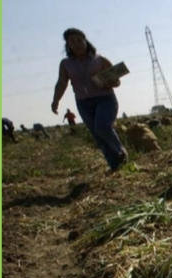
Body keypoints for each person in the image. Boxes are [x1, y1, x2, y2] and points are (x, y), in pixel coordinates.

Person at [52, 28, 128, 171]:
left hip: (105, 99)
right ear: (68, 45)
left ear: (85, 41)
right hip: (83, 103)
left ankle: (121, 152)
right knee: (97, 135)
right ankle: (116, 166)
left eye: (79, 40)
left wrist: (110, 83)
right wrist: (56, 100)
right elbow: (62, 83)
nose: (77, 44)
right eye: (72, 42)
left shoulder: (100, 60)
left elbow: (117, 81)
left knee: (102, 127)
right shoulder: (66, 64)